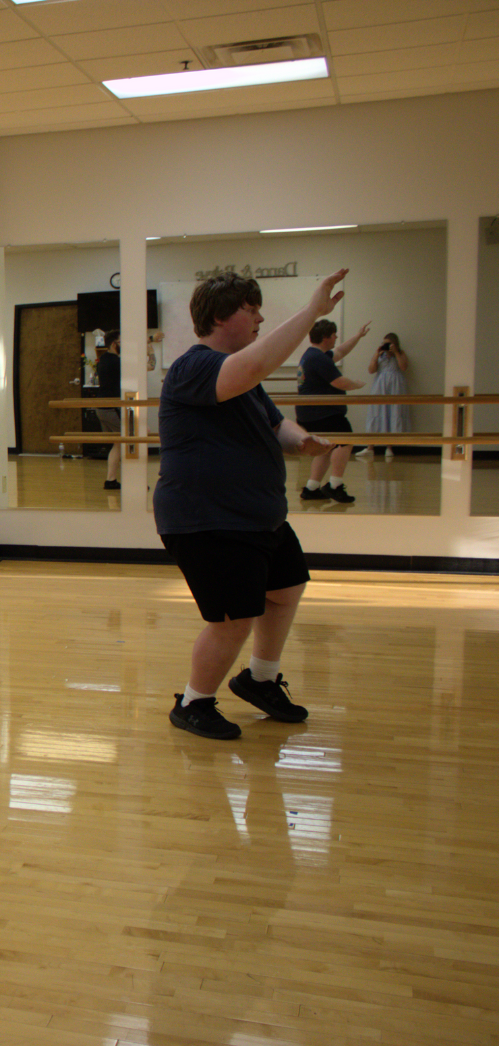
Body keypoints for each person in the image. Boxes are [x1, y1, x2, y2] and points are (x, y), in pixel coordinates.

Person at [153, 269, 348, 740]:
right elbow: (253, 368)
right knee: (232, 621)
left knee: (286, 589)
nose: (260, 318)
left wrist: (301, 440)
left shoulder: (243, 380)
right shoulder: (193, 367)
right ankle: (193, 703)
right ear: (221, 316)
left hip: (258, 516)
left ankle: (259, 679)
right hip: (209, 520)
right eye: (251, 309)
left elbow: (275, 423)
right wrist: (311, 312)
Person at [295, 318, 370, 503]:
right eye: (334, 335)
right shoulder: (318, 358)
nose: (336, 338)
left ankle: (311, 488)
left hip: (313, 413)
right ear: (326, 337)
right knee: (345, 441)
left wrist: (358, 336)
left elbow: (341, 351)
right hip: (321, 413)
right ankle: (335, 485)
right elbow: (339, 382)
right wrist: (357, 384)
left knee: (327, 449)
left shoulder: (313, 355)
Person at [359, 332, 409, 460]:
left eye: (388, 344)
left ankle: (389, 447)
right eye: (384, 343)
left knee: (393, 412)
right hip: (380, 386)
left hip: (395, 387)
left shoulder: (400, 353)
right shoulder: (380, 354)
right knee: (376, 412)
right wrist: (377, 355)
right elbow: (371, 370)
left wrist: (396, 352)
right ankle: (370, 447)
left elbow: (404, 367)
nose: (385, 346)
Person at [94, 330, 122, 490]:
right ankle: (114, 480)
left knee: (118, 444)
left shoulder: (104, 359)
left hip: (103, 407)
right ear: (113, 344)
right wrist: (150, 351)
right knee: (127, 440)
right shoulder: (115, 362)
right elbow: (149, 367)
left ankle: (110, 480)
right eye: (121, 342)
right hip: (109, 408)